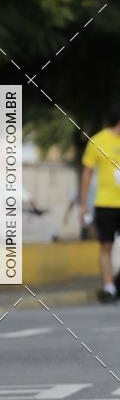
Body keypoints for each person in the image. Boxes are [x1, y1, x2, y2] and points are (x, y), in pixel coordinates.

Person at [80, 106, 120, 303]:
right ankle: (109, 287)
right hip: (105, 203)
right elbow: (87, 173)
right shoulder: (98, 140)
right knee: (106, 246)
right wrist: (83, 204)